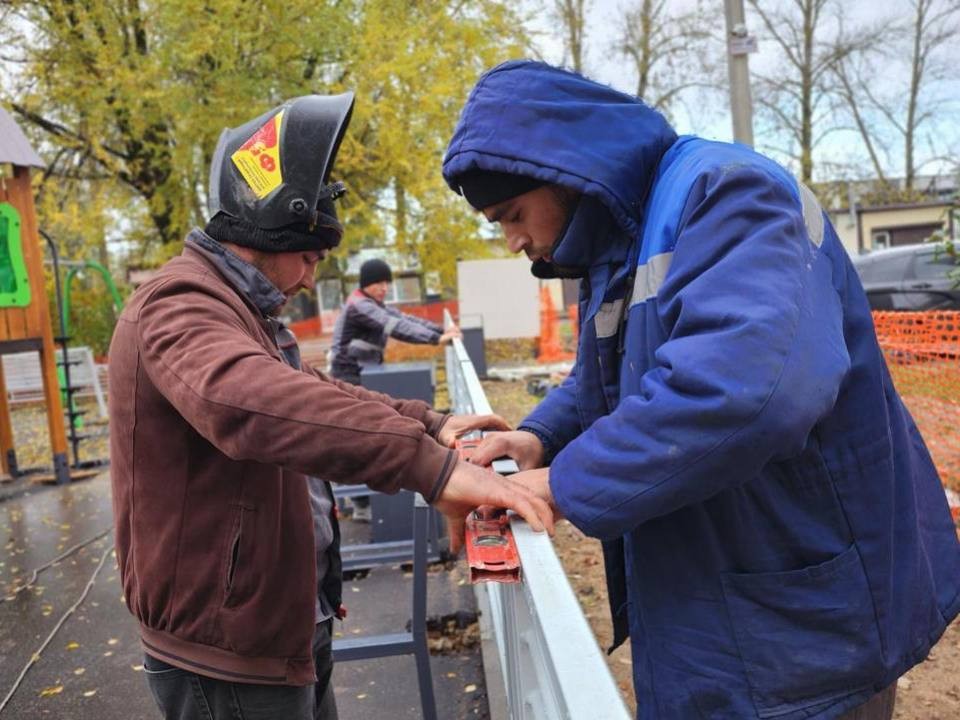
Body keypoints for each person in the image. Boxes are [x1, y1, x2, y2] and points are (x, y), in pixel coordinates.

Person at [444, 61, 960, 720]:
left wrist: (562, 483)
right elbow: (608, 373)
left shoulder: (730, 194)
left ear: (566, 172)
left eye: (511, 214)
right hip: (728, 600)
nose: (513, 240)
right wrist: (539, 436)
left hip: (803, 620)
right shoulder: (615, 241)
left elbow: (745, 390)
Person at [109, 92, 554, 720]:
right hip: (225, 649)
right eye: (310, 256)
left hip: (279, 626)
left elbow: (317, 390)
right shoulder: (178, 302)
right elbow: (251, 400)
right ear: (269, 226)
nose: (311, 278)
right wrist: (435, 469)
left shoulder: (244, 311)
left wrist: (431, 424)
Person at [329, 257, 461, 520]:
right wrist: (436, 339)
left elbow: (404, 317)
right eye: (378, 283)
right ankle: (361, 504)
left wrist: (441, 331)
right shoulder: (360, 306)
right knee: (357, 435)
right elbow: (396, 327)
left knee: (367, 432)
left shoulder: (373, 304)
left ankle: (365, 502)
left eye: (386, 283)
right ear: (366, 284)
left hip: (364, 373)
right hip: (350, 376)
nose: (384, 288)